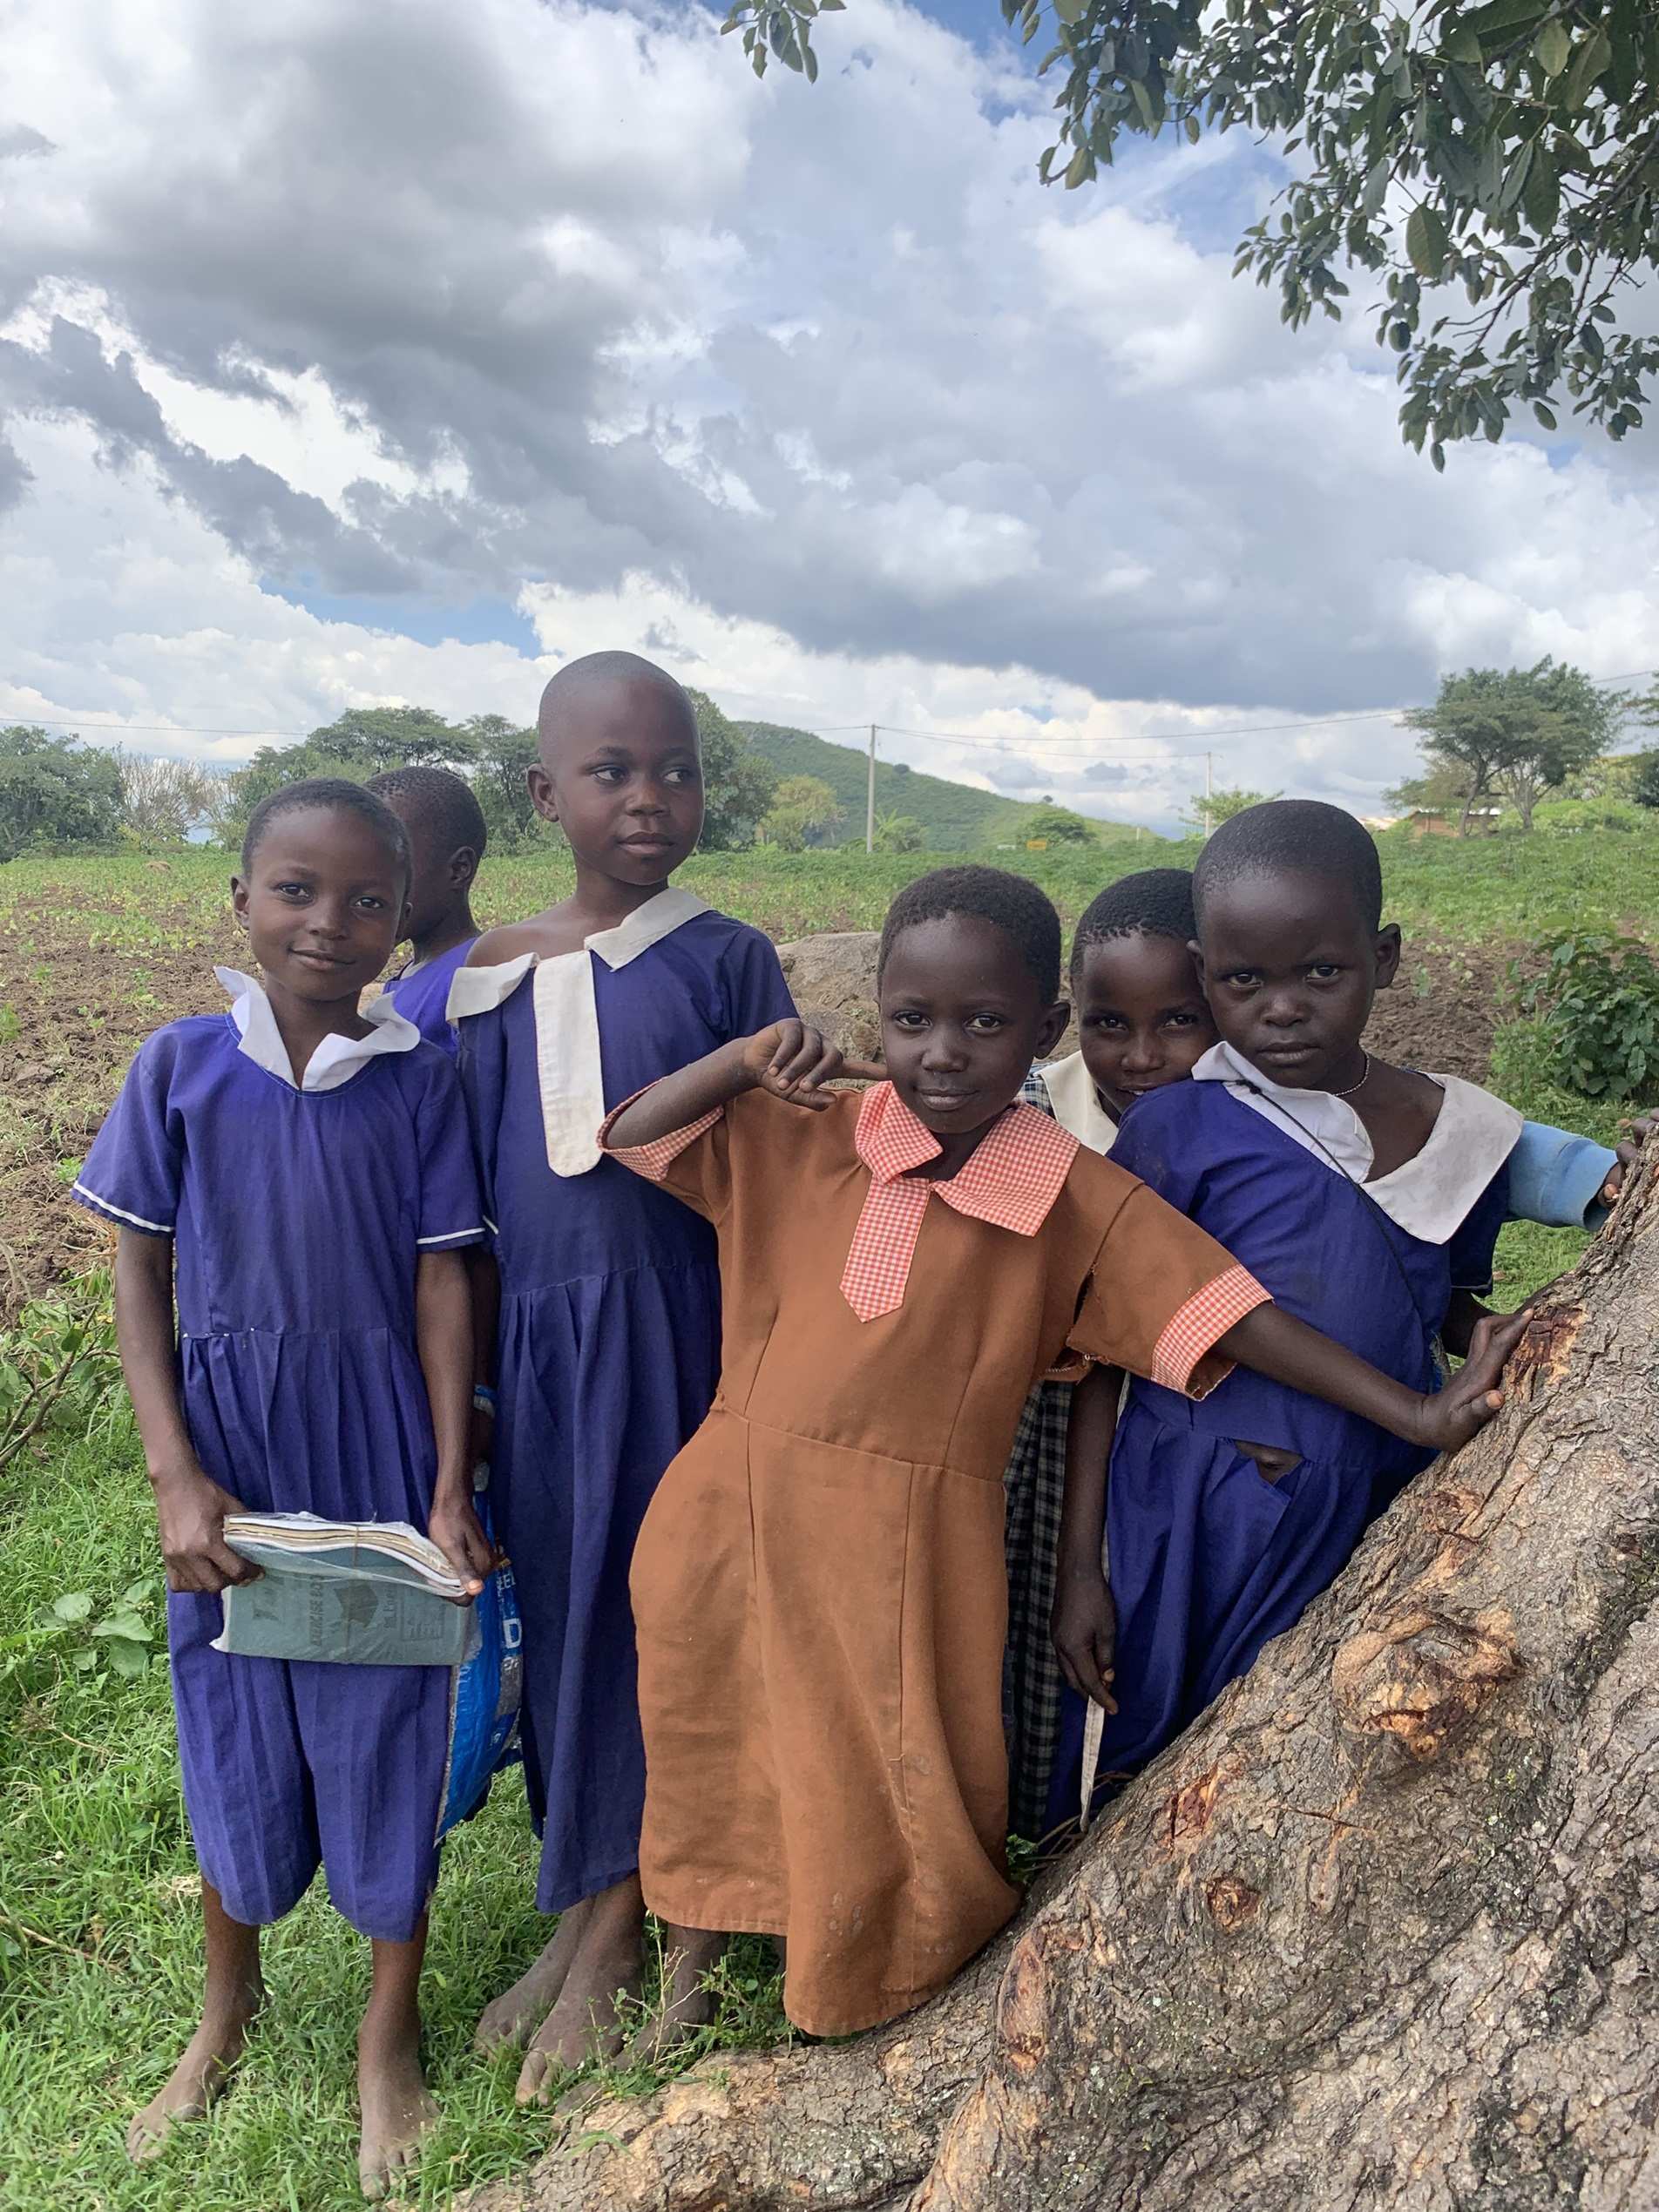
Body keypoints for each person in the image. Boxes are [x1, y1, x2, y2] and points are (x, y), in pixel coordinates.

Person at [599, 865, 1523, 2039]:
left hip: (907, 1546)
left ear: (1043, 1031)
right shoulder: (805, 1129)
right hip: (729, 1505)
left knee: (893, 1762)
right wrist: (743, 1059)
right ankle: (687, 1974)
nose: (943, 1052)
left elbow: (1227, 1312)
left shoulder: (1074, 1195)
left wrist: (1416, 1413)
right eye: (913, 1019)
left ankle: (865, 1969)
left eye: (986, 1023)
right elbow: (634, 1134)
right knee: (713, 1725)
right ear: (876, 1013)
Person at [1009, 866, 1638, 1837]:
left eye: (1316, 972)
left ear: (1378, 960)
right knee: (1131, 1740)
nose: (1282, 1007)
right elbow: (1110, 1344)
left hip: (1367, 1501)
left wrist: (1502, 1340)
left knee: (1293, 1753)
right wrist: (1079, 1562)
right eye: (1246, 982)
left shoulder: (1453, 1128)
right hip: (1185, 1501)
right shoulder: (1176, 1125)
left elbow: (1428, 1291)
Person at [73, 778, 495, 2199]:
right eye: (297, 890)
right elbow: (138, 1265)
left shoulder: (419, 1078)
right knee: (231, 1721)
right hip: (231, 1462)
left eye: (366, 899)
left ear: (399, 916)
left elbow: (446, 1278)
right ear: (240, 901)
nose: (330, 921)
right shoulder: (180, 1067)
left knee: (387, 1727)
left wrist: (444, 1480)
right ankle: (226, 2005)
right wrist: (173, 1471)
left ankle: (388, 2031)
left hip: (374, 1452)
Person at [451, 652, 794, 2095]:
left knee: (680, 1610)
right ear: (543, 791)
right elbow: (451, 1213)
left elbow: (776, 1172)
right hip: (537, 1348)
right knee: (577, 1608)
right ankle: (588, 1887)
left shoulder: (724, 955)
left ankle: (640, 1918)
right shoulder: (472, 981)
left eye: (676, 768)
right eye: (611, 770)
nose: (649, 797)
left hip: (684, 1332)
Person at [364, 765, 487, 1052]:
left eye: (388, 863)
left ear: (458, 869)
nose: (366, 883)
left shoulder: (473, 976)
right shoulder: (412, 974)